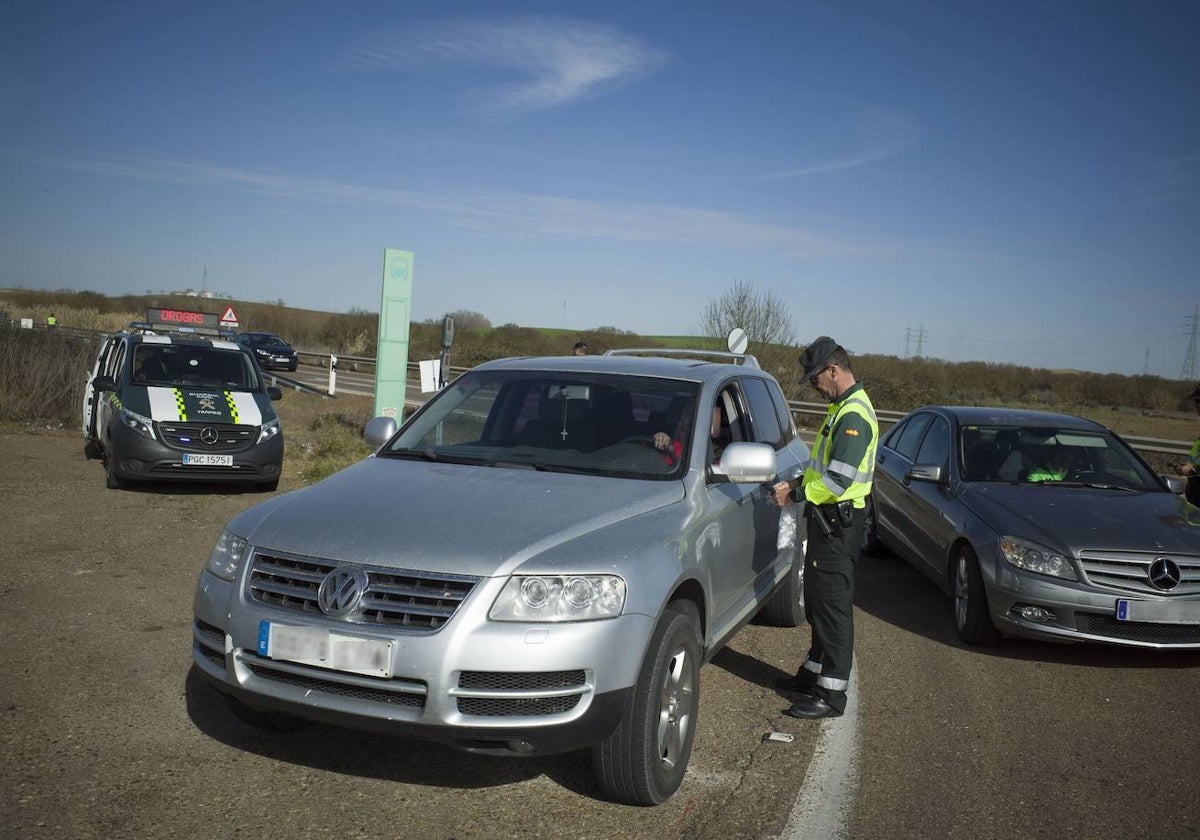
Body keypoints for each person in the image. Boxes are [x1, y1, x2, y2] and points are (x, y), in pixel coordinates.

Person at [771, 336, 878, 719]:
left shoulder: (853, 416)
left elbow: (837, 481)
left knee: (832, 607)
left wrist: (795, 493)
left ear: (833, 370)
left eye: (816, 379)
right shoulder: (841, 408)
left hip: (839, 523)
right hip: (828, 522)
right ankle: (815, 671)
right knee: (818, 600)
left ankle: (831, 695)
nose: (814, 387)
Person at [1175, 384, 1200, 507]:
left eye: (1198, 401)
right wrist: (1187, 466)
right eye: (1196, 401)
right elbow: (1196, 456)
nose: (1197, 405)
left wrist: (1193, 469)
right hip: (1195, 490)